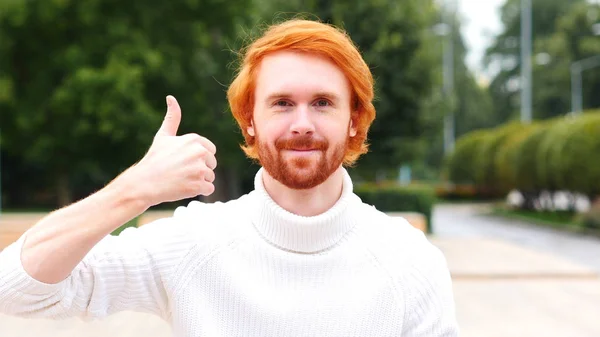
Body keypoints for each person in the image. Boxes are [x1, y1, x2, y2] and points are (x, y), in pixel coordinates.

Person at [0, 19, 458, 336]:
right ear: (249, 121)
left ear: (355, 120)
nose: (302, 123)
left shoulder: (410, 262)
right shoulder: (191, 242)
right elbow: (14, 289)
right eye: (281, 103)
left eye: (322, 102)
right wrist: (135, 188)